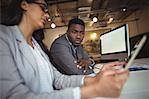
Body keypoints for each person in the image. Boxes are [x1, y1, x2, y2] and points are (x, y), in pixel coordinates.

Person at [0, 0, 129, 99]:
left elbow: (58, 79)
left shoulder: (36, 45)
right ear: (24, 4)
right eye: (43, 8)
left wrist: (95, 79)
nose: (47, 15)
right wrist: (94, 89)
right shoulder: (3, 37)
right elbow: (16, 96)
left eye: (81, 33)